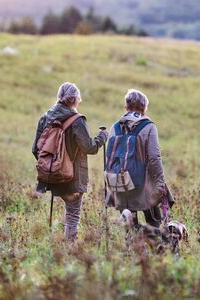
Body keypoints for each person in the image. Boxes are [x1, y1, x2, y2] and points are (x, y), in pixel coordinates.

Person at [32, 82, 108, 241]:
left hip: (52, 177)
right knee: (73, 216)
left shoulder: (45, 118)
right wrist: (102, 137)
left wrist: (52, 167)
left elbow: (36, 150)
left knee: (69, 214)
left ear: (59, 97)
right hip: (73, 177)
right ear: (75, 100)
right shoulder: (77, 121)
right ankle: (69, 251)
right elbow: (90, 148)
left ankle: (56, 245)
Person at [107, 89, 174, 230]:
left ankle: (130, 249)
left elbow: (110, 158)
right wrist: (160, 183)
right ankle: (152, 249)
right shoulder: (148, 127)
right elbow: (154, 157)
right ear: (144, 108)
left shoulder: (115, 127)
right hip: (143, 185)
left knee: (130, 226)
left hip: (119, 182)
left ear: (126, 107)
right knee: (154, 222)